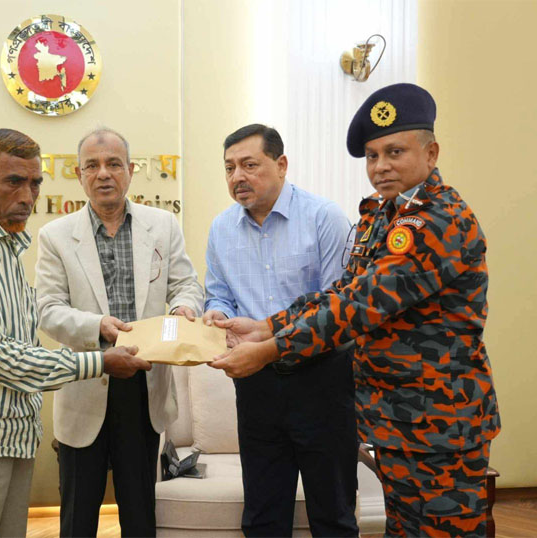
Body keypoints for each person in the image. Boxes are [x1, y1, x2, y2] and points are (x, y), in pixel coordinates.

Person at [211, 84, 501, 537]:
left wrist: (269, 348)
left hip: (442, 422)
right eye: (371, 156)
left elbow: (357, 308)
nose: (380, 166)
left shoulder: (436, 220)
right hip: (396, 419)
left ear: (431, 153)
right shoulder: (381, 217)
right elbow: (342, 291)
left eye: (394, 151)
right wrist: (267, 325)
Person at [0, 128, 150, 538]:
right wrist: (100, 360)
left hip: (11, 438)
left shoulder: (5, 243)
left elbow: (22, 338)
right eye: (13, 182)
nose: (27, 195)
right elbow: (2, 357)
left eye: (35, 183)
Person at [35, 127, 204, 537]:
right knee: (78, 516)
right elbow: (47, 309)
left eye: (113, 164)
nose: (103, 173)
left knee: (139, 512)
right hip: (86, 380)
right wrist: (98, 328)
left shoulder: (162, 225)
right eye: (92, 165)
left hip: (144, 385)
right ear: (79, 175)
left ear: (130, 171)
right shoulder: (55, 236)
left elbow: (186, 283)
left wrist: (185, 308)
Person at [203, 124, 359, 537]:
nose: (238, 177)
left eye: (250, 165)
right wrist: (216, 318)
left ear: (281, 164)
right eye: (230, 168)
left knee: (334, 513)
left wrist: (268, 342)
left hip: (322, 380)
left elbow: (336, 309)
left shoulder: (324, 218)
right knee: (263, 514)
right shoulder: (221, 228)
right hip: (256, 386)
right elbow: (217, 294)